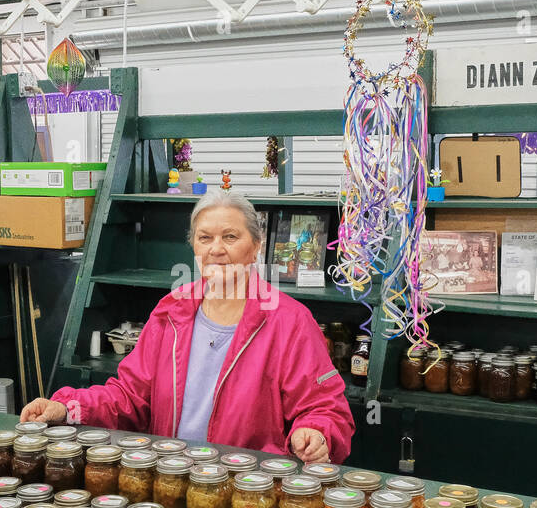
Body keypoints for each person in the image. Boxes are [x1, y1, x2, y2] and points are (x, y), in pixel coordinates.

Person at [20, 189, 355, 463]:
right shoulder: (172, 312)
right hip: (171, 477)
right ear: (194, 247)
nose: (217, 249)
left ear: (256, 248)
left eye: (230, 237)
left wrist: (314, 432)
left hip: (252, 490)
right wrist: (67, 408)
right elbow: (129, 397)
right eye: (204, 238)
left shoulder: (288, 321)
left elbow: (326, 409)